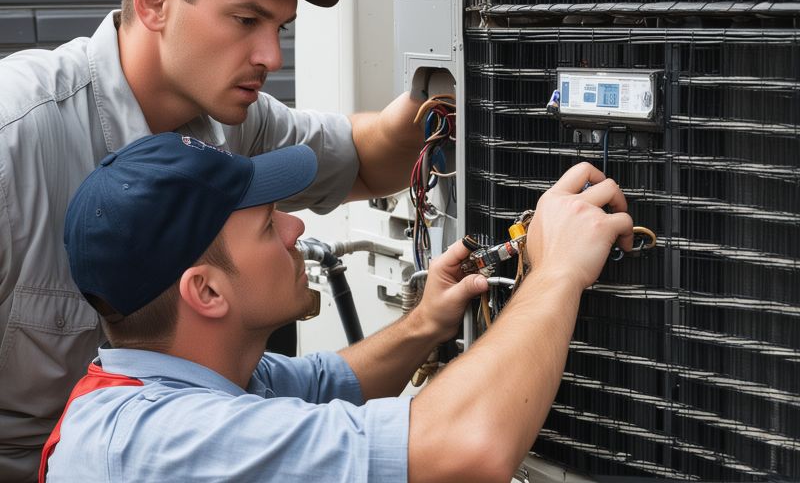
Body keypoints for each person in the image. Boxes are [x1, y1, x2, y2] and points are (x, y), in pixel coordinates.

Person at [0, 0, 427, 480]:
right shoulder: (14, 136)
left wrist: (441, 94)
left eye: (279, 26)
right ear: (154, 2)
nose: (272, 57)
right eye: (246, 20)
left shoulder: (231, 123)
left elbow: (361, 155)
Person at [41, 132, 633, 482]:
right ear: (207, 292)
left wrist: (426, 322)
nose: (297, 226)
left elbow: (336, 382)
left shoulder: (200, 377)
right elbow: (468, 445)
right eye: (267, 223)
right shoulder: (156, 442)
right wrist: (557, 269)